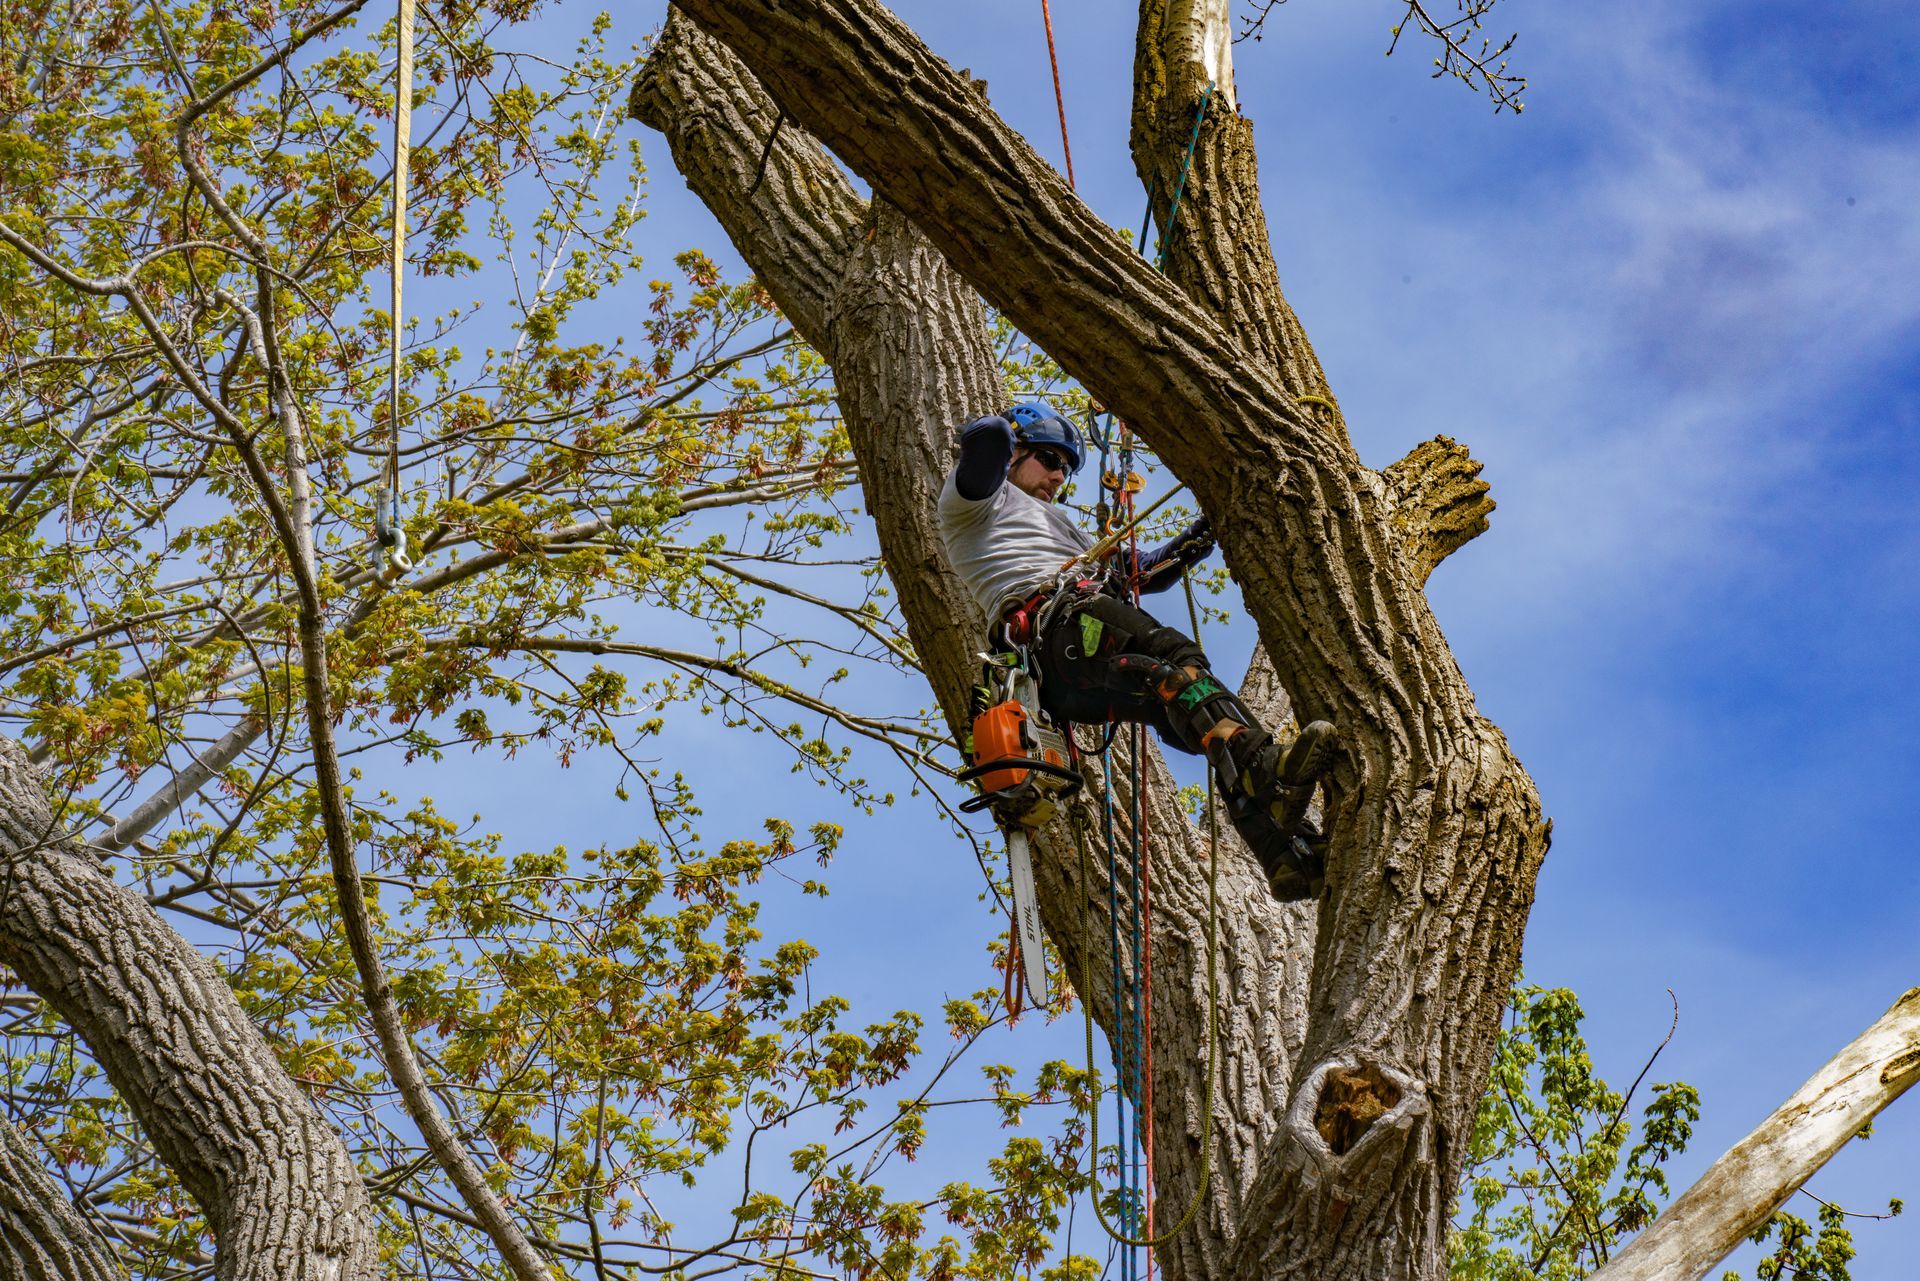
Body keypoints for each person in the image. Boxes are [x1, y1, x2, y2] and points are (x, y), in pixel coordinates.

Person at [938, 400, 1338, 900]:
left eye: (1066, 467)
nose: (1060, 475)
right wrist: (1005, 435)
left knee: (1185, 711)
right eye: (1050, 458)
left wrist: (1208, 528)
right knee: (1174, 655)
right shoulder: (975, 501)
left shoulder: (1062, 529)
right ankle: (1264, 770)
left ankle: (1285, 854)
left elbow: (1146, 570)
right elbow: (989, 438)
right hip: (1057, 623)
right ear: (1016, 453)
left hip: (1069, 665)